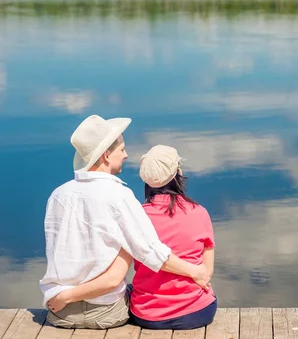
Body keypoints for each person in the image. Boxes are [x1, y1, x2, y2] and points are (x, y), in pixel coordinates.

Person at [40, 115, 211, 329]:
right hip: (106, 314)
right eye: (122, 149)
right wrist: (195, 271)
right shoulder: (119, 196)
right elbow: (150, 252)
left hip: (60, 311)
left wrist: (66, 296)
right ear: (106, 155)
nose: (126, 155)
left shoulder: (58, 195)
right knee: (133, 282)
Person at [128, 145, 217, 329]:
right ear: (178, 173)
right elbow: (206, 273)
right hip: (197, 312)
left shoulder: (136, 217)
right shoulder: (199, 213)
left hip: (147, 315)